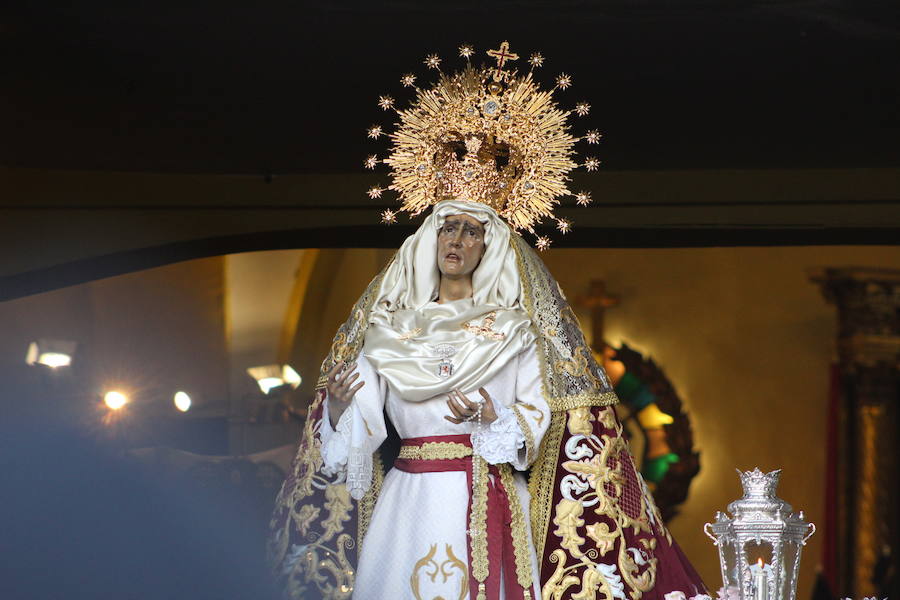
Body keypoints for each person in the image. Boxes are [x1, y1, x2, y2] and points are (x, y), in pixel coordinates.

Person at [268, 42, 708, 600]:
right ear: (429, 240)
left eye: (470, 231)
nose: (456, 240)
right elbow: (357, 434)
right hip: (409, 501)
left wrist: (495, 417)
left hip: (490, 496)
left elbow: (538, 415)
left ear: (489, 245)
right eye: (446, 228)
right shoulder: (391, 330)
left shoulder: (517, 331)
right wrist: (335, 407)